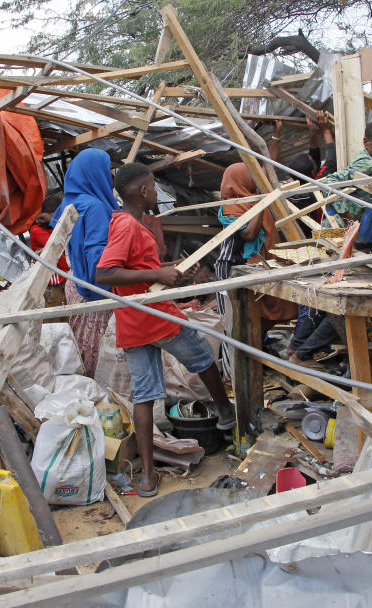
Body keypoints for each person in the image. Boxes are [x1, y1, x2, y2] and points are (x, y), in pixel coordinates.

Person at [96, 162, 236, 497]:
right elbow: (105, 274)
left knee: (144, 396)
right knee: (203, 357)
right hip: (156, 317)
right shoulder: (128, 226)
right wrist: (159, 276)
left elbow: (139, 269)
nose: (156, 192)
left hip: (133, 323)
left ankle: (147, 476)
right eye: (153, 186)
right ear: (143, 192)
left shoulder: (130, 223)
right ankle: (226, 414)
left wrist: (171, 270)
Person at [49, 148, 118, 375]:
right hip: (94, 288)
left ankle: (85, 390)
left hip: (74, 283)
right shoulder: (95, 206)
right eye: (107, 171)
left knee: (83, 345)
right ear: (94, 173)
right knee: (101, 351)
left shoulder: (69, 203)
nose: (110, 177)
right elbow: (98, 258)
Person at [214, 163, 298, 330]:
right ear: (242, 180)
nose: (253, 180)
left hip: (249, 268)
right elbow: (249, 234)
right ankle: (232, 356)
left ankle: (255, 351)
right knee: (231, 324)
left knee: (251, 321)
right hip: (230, 268)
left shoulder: (253, 200)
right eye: (250, 177)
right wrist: (260, 205)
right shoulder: (232, 204)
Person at [322, 119, 372, 224]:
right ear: (366, 142)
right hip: (338, 230)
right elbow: (328, 182)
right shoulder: (367, 165)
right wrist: (348, 219)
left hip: (358, 229)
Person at [29, 195, 69, 306]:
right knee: (54, 320)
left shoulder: (52, 228)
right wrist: (54, 221)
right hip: (52, 283)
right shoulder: (36, 230)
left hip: (63, 280)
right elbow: (56, 242)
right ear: (52, 214)